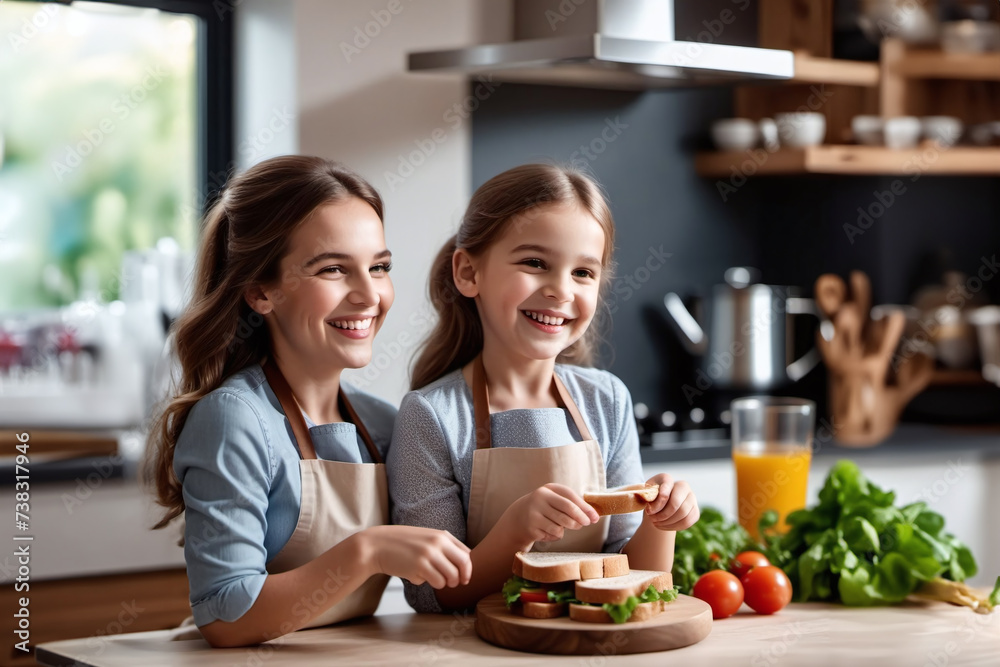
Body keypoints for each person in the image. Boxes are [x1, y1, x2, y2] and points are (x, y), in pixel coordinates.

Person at [145, 156, 471, 647]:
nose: (368, 294)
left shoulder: (381, 424)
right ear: (260, 292)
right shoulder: (234, 419)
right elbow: (225, 618)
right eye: (334, 269)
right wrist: (367, 551)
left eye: (379, 267)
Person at [388, 163, 699, 613]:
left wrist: (662, 522)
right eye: (535, 263)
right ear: (468, 272)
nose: (560, 290)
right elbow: (431, 594)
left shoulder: (607, 400)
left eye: (583, 273)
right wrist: (516, 531)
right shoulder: (430, 415)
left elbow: (633, 573)